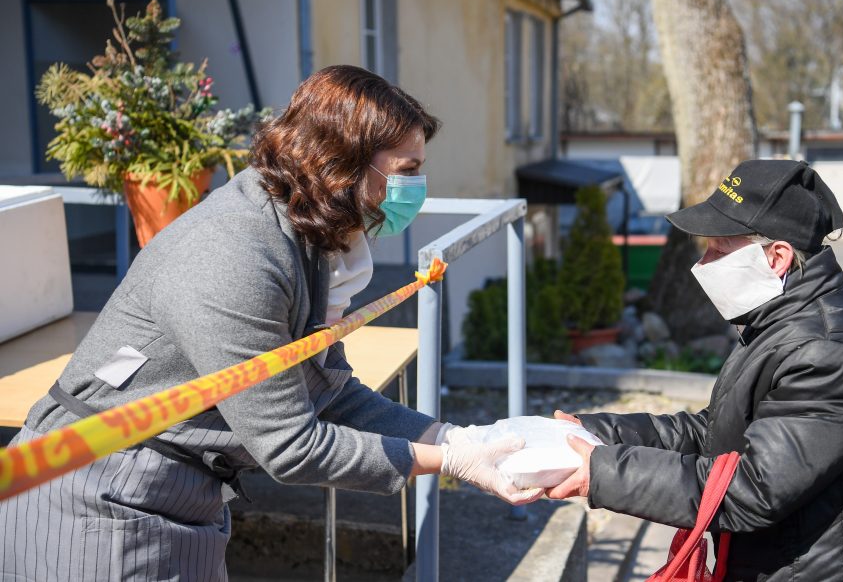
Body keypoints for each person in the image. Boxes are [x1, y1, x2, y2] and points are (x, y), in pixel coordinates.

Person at [0, 66, 540, 581]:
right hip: (99, 503)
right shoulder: (235, 255)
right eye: (406, 172)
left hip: (169, 498)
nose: (417, 188)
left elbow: (329, 393)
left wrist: (455, 435)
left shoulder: (310, 236)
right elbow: (291, 444)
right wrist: (451, 461)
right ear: (340, 163)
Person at [549, 159, 843, 580]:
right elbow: (716, 433)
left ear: (777, 257)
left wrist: (601, 472)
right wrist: (590, 433)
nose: (703, 263)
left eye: (720, 249)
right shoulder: (783, 322)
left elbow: (750, 488)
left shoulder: (827, 352)